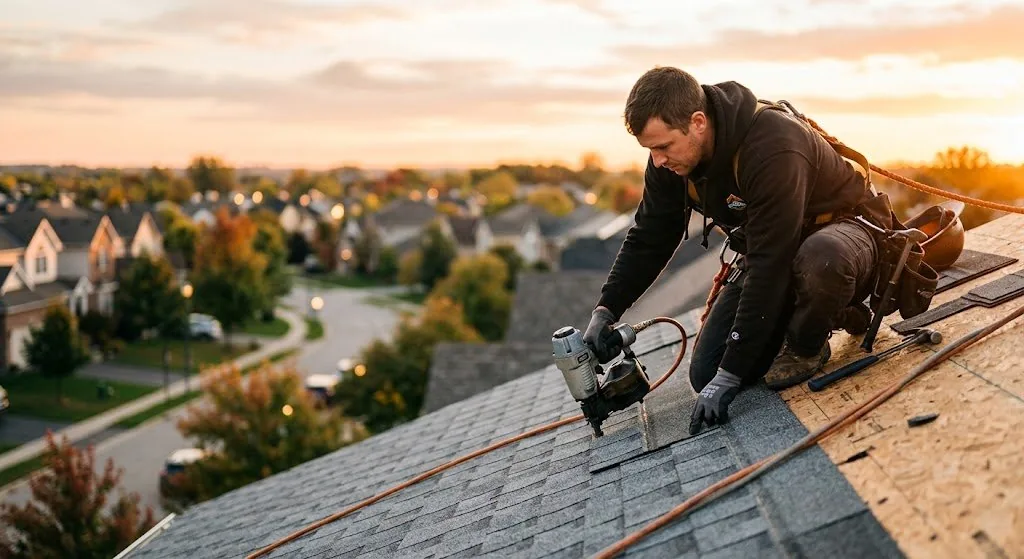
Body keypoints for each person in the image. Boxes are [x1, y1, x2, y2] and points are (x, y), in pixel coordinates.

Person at [584, 67, 893, 435]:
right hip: (774, 249)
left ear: (698, 122)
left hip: (846, 235)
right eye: (650, 149)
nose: (657, 160)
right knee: (706, 373)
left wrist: (731, 375)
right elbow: (650, 238)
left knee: (821, 260)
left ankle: (810, 341)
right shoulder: (671, 164)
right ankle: (810, 312)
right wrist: (606, 309)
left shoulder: (772, 143)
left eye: (664, 146)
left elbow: (768, 264)